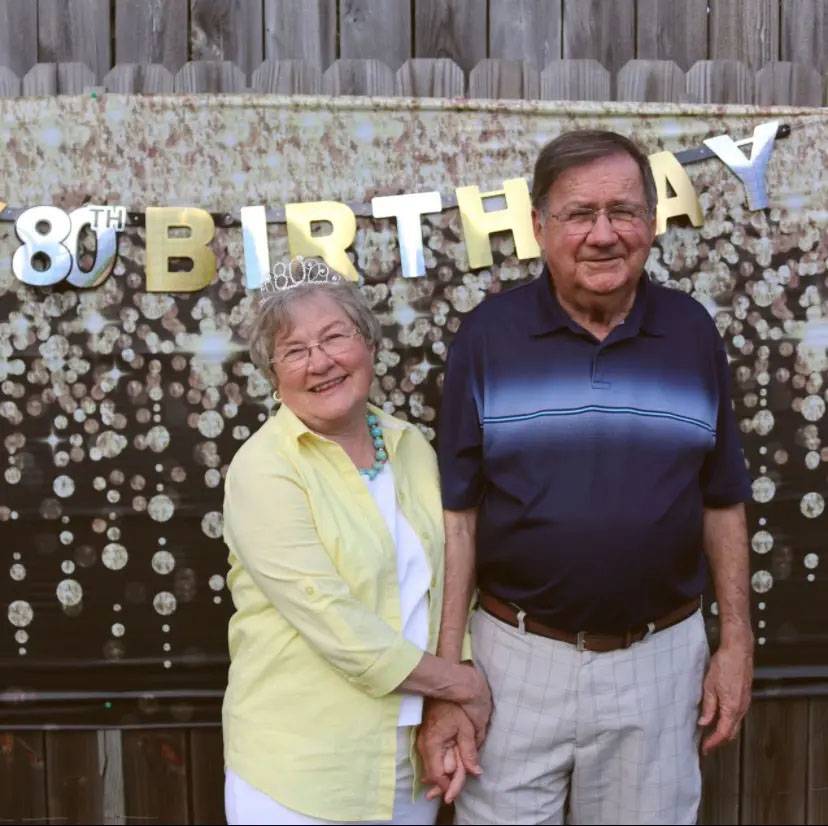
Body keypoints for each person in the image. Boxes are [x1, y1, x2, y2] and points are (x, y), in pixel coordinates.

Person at [418, 130, 754, 825]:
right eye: (580, 214)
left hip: (660, 664)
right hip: (515, 662)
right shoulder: (487, 339)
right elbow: (459, 518)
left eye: (624, 211)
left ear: (652, 223)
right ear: (539, 226)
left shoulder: (692, 334)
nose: (604, 234)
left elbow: (722, 500)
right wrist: (448, 678)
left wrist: (737, 641)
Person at [221, 260, 491, 825]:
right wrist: (462, 682)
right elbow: (335, 622)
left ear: (368, 345)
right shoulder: (264, 470)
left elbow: (444, 584)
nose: (320, 362)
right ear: (272, 374)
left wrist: (446, 695)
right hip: (303, 769)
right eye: (294, 351)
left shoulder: (409, 444)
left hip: (412, 759)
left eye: (334, 337)